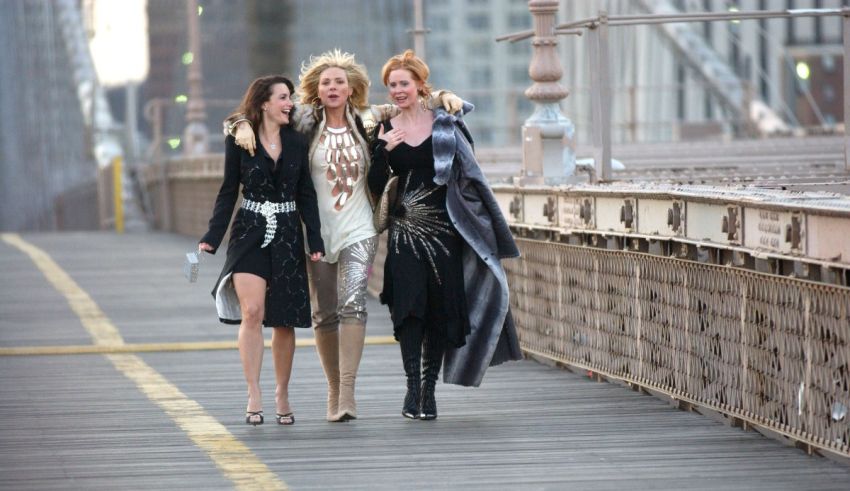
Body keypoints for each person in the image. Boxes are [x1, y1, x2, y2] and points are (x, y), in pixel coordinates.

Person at [226, 49, 463, 422]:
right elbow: (260, 113)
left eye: (340, 81)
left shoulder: (367, 119)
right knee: (324, 313)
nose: (333, 87)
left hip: (359, 227)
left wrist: (444, 97)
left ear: (351, 88)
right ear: (316, 90)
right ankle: (333, 388)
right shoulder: (302, 121)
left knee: (353, 303)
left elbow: (411, 97)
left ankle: (348, 394)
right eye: (326, 82)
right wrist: (238, 123)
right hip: (316, 231)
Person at [368, 50, 523, 420]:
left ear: (421, 85)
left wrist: (484, 225)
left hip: (444, 232)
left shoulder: (445, 124)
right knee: (409, 312)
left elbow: (471, 177)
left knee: (437, 312)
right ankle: (411, 391)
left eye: (404, 83)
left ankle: (428, 392)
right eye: (392, 85)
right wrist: (381, 151)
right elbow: (374, 188)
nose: (398, 91)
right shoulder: (385, 129)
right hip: (405, 233)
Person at [199, 75, 325, 426]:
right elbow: (228, 191)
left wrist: (314, 239)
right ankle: (253, 391)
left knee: (283, 320)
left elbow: (307, 194)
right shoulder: (239, 139)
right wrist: (212, 234)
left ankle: (281, 392)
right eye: (284, 97)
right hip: (249, 232)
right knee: (252, 311)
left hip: (287, 232)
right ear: (264, 103)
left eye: (291, 97)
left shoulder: (298, 142)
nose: (290, 103)